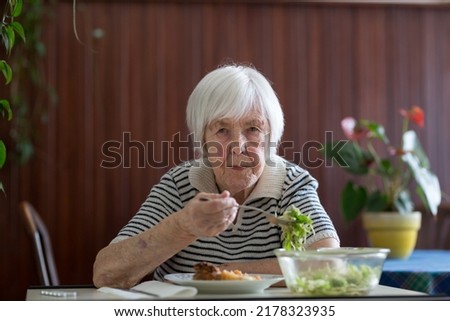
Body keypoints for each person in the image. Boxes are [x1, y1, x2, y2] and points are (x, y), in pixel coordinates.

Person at [93, 63, 340, 288]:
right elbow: (106, 274)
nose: (238, 146)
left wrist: (219, 274)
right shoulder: (180, 185)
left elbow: (329, 265)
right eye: (222, 130)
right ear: (202, 142)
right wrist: (182, 227)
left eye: (253, 129)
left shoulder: (291, 184)